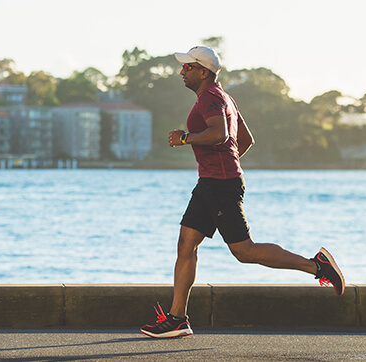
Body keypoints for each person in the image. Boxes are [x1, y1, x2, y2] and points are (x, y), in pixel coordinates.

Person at [140, 46, 345, 339]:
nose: (182, 71)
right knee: (186, 244)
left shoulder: (211, 97)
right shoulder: (224, 97)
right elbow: (245, 139)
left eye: (187, 67)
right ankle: (177, 319)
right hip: (213, 182)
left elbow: (221, 134)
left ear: (203, 71)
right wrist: (224, 164)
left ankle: (317, 266)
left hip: (219, 185)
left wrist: (186, 138)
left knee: (244, 251)